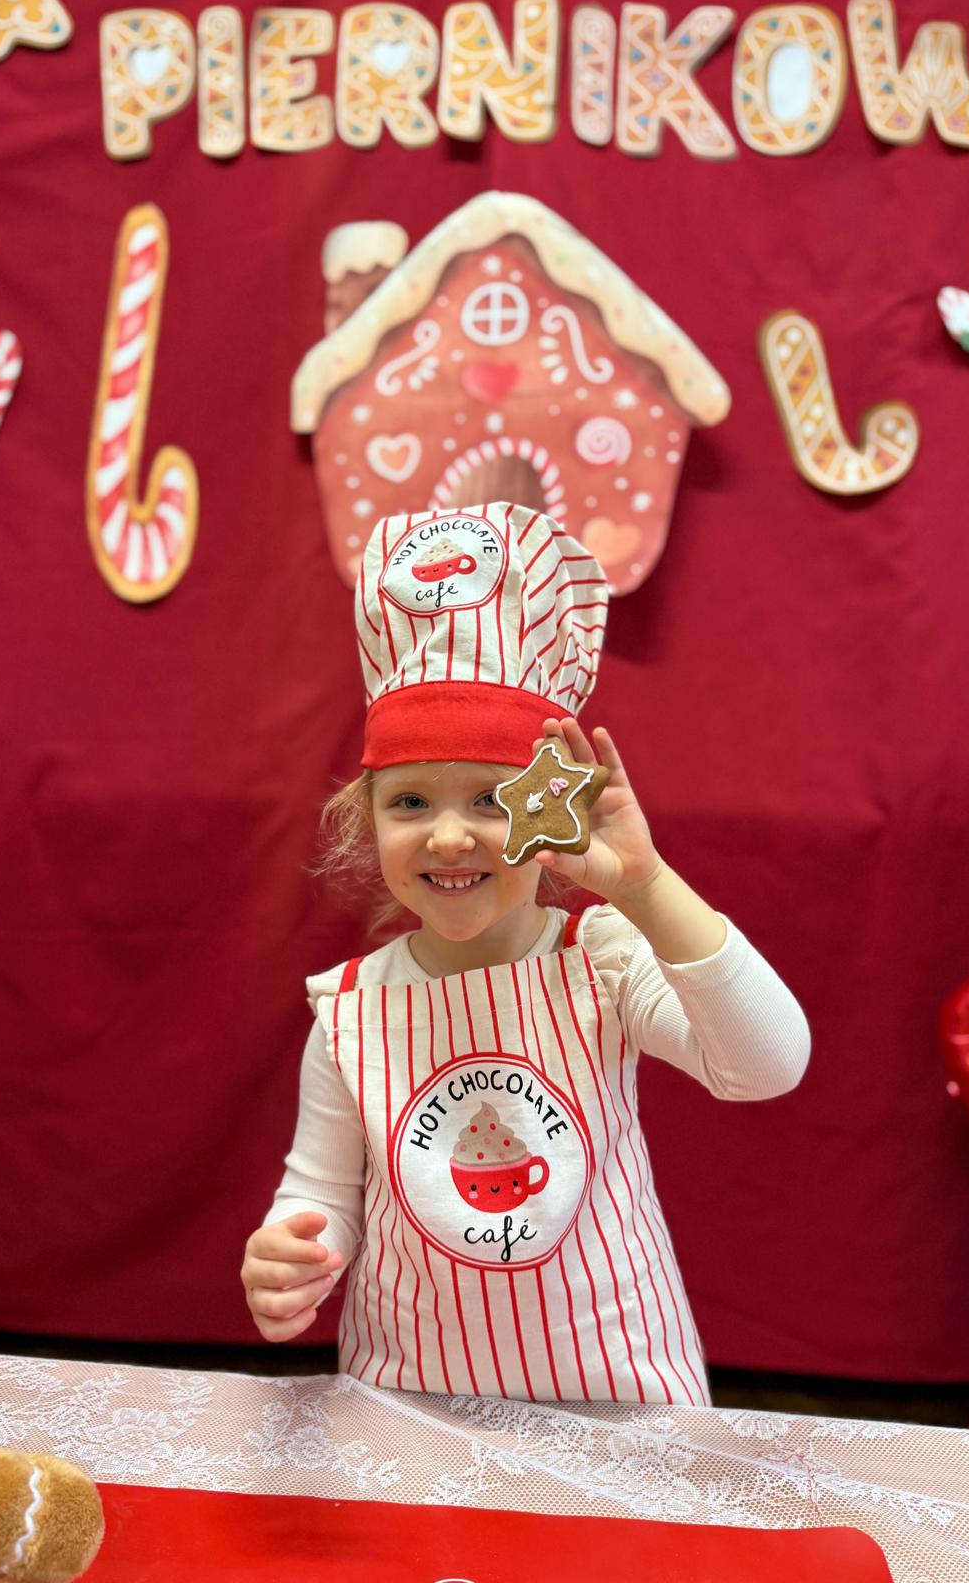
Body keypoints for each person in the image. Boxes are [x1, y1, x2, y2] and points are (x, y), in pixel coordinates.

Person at [242, 502, 810, 1403]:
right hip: (411, 1408)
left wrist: (647, 886)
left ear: (556, 810)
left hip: (623, 1404)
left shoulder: (604, 960)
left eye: (491, 799)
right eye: (411, 803)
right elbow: (321, 1197)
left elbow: (768, 1064)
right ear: (367, 819)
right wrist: (294, 1254)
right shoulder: (351, 1013)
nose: (449, 838)